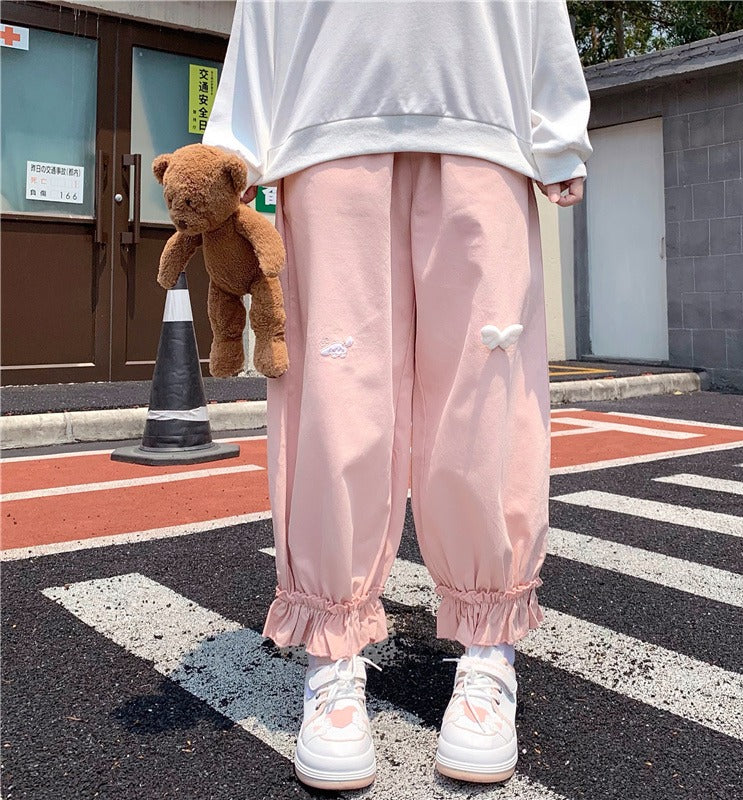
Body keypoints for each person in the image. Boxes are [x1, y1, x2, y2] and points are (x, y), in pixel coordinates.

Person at [203, 0, 591, 790]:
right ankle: (332, 651)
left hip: (481, 115)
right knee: (332, 398)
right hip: (326, 123)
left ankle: (489, 649)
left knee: (485, 400)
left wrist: (555, 122)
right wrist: (231, 151)